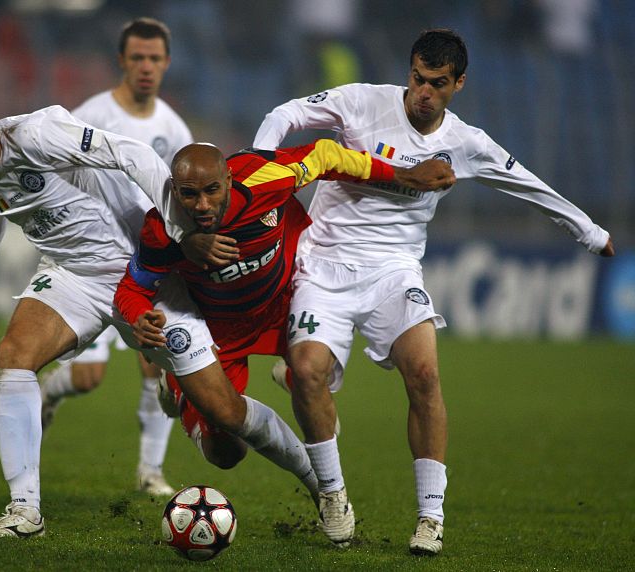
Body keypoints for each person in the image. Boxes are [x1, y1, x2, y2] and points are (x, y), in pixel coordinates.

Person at [252, 28, 616, 555]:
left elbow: (526, 183)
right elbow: (285, 114)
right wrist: (259, 167)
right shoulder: (361, 102)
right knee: (308, 374)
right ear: (410, 71)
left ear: (458, 84)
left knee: (424, 374)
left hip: (395, 272)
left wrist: (590, 232)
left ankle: (430, 517)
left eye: (437, 83)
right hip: (324, 264)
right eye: (418, 79)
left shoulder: (466, 143)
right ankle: (333, 495)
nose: (423, 92)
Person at [0, 67, 222, 538]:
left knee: (224, 421)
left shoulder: (37, 134)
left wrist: (179, 231)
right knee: (13, 356)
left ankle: (323, 483)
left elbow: (132, 153)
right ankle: (25, 512)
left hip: (138, 268)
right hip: (72, 277)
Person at [113, 142, 454, 542]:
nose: (202, 205)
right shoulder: (162, 229)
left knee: (314, 374)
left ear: (229, 180)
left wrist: (402, 175)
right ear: (173, 190)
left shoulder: (265, 177)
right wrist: (139, 315)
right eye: (189, 194)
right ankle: (181, 386)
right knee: (225, 453)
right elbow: (132, 287)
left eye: (212, 191)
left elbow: (327, 155)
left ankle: (324, 479)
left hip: (286, 302)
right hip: (220, 331)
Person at [39, 17, 193, 497]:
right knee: (88, 377)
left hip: (147, 262)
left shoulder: (173, 127)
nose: (146, 66)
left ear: (167, 63)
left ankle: (151, 471)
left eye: (155, 58)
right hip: (95, 260)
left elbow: (182, 194)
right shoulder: (91, 115)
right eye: (138, 57)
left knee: (158, 359)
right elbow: (53, 171)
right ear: (122, 61)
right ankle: (49, 392)